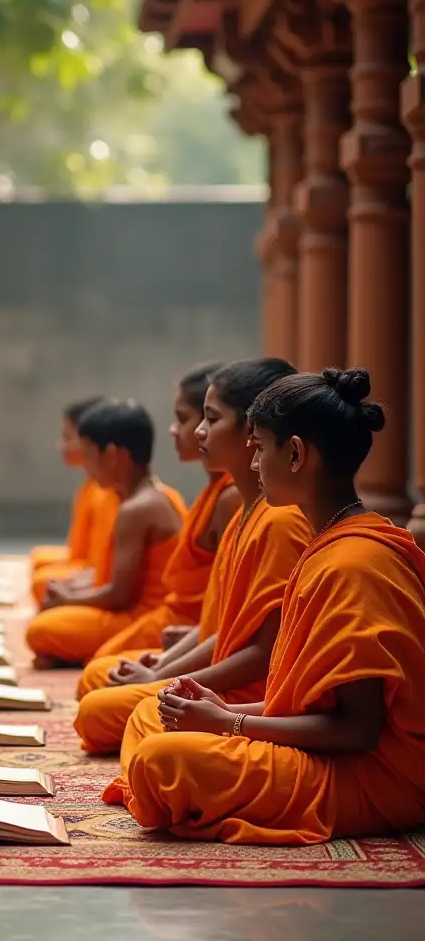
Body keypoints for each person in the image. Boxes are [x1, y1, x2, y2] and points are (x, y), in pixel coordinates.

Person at [117, 368, 425, 844]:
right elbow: (305, 697)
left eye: (260, 447)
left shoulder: (356, 563)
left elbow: (359, 731)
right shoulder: (330, 544)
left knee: (162, 763)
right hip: (326, 751)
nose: (254, 463)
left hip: (372, 775)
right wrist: (221, 710)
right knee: (154, 728)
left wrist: (232, 722)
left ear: (297, 454)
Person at [80, 358, 310, 757]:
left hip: (246, 695)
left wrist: (168, 677)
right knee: (101, 689)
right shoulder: (245, 511)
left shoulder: (279, 520)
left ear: (253, 431)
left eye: (210, 419)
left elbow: (265, 652)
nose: (198, 432)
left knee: (108, 714)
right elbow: (224, 624)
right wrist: (165, 668)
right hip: (211, 667)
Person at [75, 364, 240, 690]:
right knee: (99, 677)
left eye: (184, 418)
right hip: (190, 627)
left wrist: (166, 673)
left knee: (95, 680)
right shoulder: (215, 495)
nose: (191, 432)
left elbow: (244, 626)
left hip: (192, 629)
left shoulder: (235, 501)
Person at [25, 400, 187, 668]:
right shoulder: (155, 495)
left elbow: (121, 596)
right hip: (144, 613)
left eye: (89, 456)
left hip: (148, 618)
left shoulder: (137, 508)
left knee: (41, 631)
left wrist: (68, 599)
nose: (86, 467)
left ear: (113, 456)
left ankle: (78, 652)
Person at [29, 398, 118, 601]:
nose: (61, 445)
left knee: (42, 581)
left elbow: (105, 569)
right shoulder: (92, 488)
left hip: (96, 575)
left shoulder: (106, 494)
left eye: (67, 437)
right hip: (89, 569)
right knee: (39, 561)